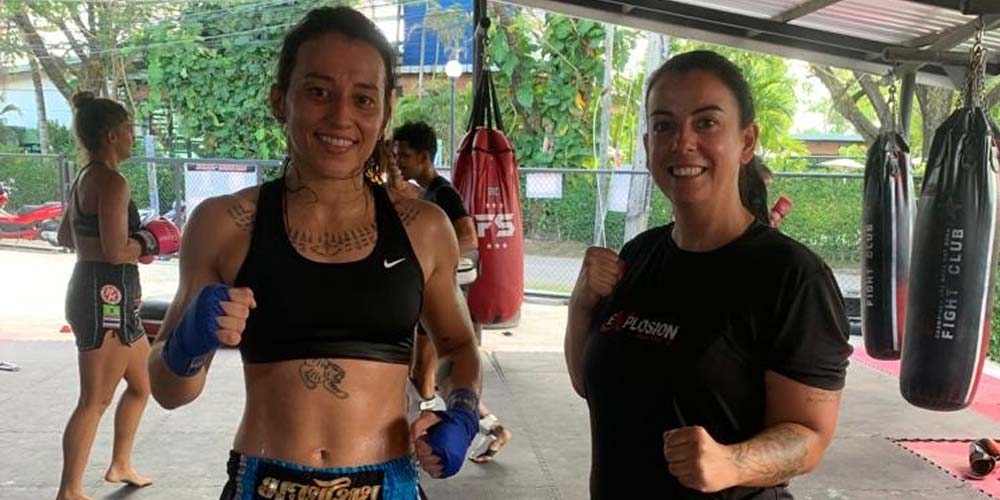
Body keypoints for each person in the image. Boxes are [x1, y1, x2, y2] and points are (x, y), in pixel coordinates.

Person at [147, 7, 481, 499]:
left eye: (363, 99)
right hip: (263, 485)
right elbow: (168, 390)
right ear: (280, 100)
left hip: (387, 486)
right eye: (318, 92)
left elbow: (457, 347)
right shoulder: (224, 225)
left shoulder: (425, 229)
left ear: (385, 112)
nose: (341, 116)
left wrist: (463, 413)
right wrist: (188, 344)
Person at [565, 50, 852, 499]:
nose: (683, 142)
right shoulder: (638, 255)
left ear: (746, 141)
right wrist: (580, 306)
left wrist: (733, 462)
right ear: (648, 145)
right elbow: (589, 384)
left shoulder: (793, 277)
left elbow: (810, 436)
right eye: (664, 126)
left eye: (706, 123)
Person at [56, 91, 178, 499]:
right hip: (104, 297)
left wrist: (130, 240)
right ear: (111, 135)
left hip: (109, 294)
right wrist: (148, 240)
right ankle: (69, 490)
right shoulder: (111, 181)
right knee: (95, 399)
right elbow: (114, 251)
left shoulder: (84, 177)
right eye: (128, 129)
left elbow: (65, 236)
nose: (132, 136)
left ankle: (120, 464)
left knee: (142, 385)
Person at [393, 120, 512, 463]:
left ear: (424, 157)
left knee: (426, 375)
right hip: (423, 292)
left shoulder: (444, 193)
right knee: (426, 376)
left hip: (440, 295)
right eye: (395, 156)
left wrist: (432, 262)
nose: (399, 162)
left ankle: (446, 437)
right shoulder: (423, 193)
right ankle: (490, 428)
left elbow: (469, 239)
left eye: (404, 156)